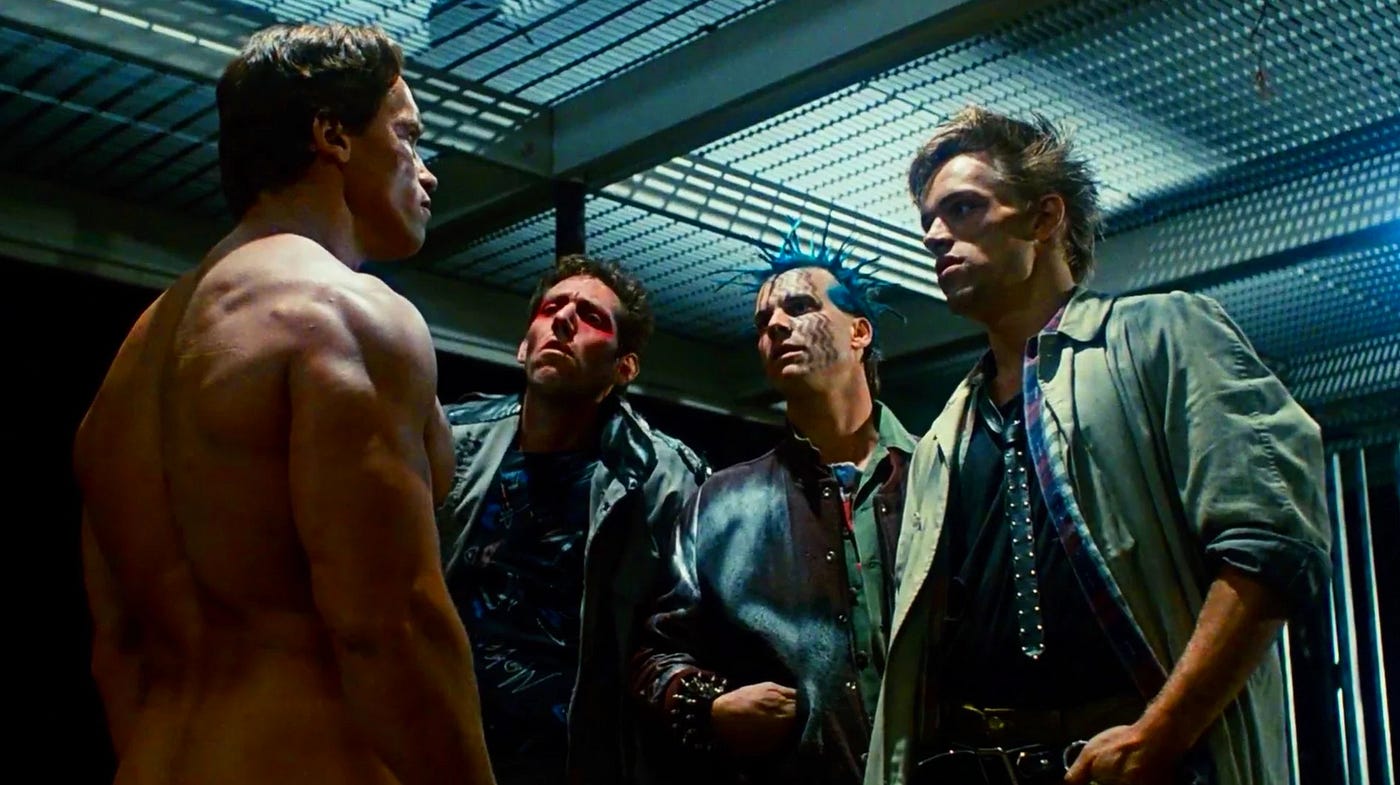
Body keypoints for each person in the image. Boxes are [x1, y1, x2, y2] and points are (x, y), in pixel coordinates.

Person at [72, 23, 494, 785]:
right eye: (407, 135)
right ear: (333, 135)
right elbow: (388, 622)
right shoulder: (340, 311)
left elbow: (118, 650)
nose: (426, 172)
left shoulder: (131, 366)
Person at [865, 106, 1331, 785]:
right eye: (928, 220)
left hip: (1150, 761)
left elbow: (1272, 545)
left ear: (1044, 218)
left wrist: (1158, 733)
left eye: (962, 208)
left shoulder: (1161, 335)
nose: (935, 236)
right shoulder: (943, 436)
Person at [632, 229, 917, 785]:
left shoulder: (940, 475)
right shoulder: (720, 504)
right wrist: (710, 706)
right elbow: (654, 653)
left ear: (859, 332)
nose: (776, 326)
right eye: (763, 322)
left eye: (800, 307)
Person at [437, 253, 709, 785]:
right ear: (524, 345)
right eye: (551, 308)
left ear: (624, 367)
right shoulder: (451, 439)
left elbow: (681, 632)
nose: (563, 319)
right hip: (440, 745)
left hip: (574, 761)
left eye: (591, 317)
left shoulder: (663, 477)